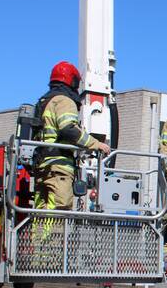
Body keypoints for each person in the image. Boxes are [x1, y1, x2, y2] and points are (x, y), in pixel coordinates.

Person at [33, 61, 110, 211]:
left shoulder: (45, 102)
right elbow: (69, 130)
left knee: (39, 210)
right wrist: (97, 144)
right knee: (59, 209)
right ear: (71, 80)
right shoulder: (64, 101)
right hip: (59, 167)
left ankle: (39, 236)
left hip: (43, 166)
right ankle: (53, 236)